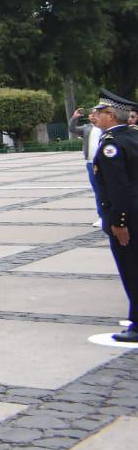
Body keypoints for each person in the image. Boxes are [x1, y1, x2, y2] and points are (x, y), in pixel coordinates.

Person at [89, 90, 138, 343]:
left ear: (111, 115)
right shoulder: (133, 136)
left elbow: (119, 188)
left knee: (131, 268)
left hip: (127, 216)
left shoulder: (111, 144)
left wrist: (119, 222)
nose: (95, 115)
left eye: (99, 112)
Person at [72, 107, 106, 229]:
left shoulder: (105, 129)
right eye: (91, 114)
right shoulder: (87, 128)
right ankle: (102, 216)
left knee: (108, 190)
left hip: (105, 163)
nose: (92, 116)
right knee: (98, 191)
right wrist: (74, 118)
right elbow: (72, 129)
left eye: (95, 114)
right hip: (91, 163)